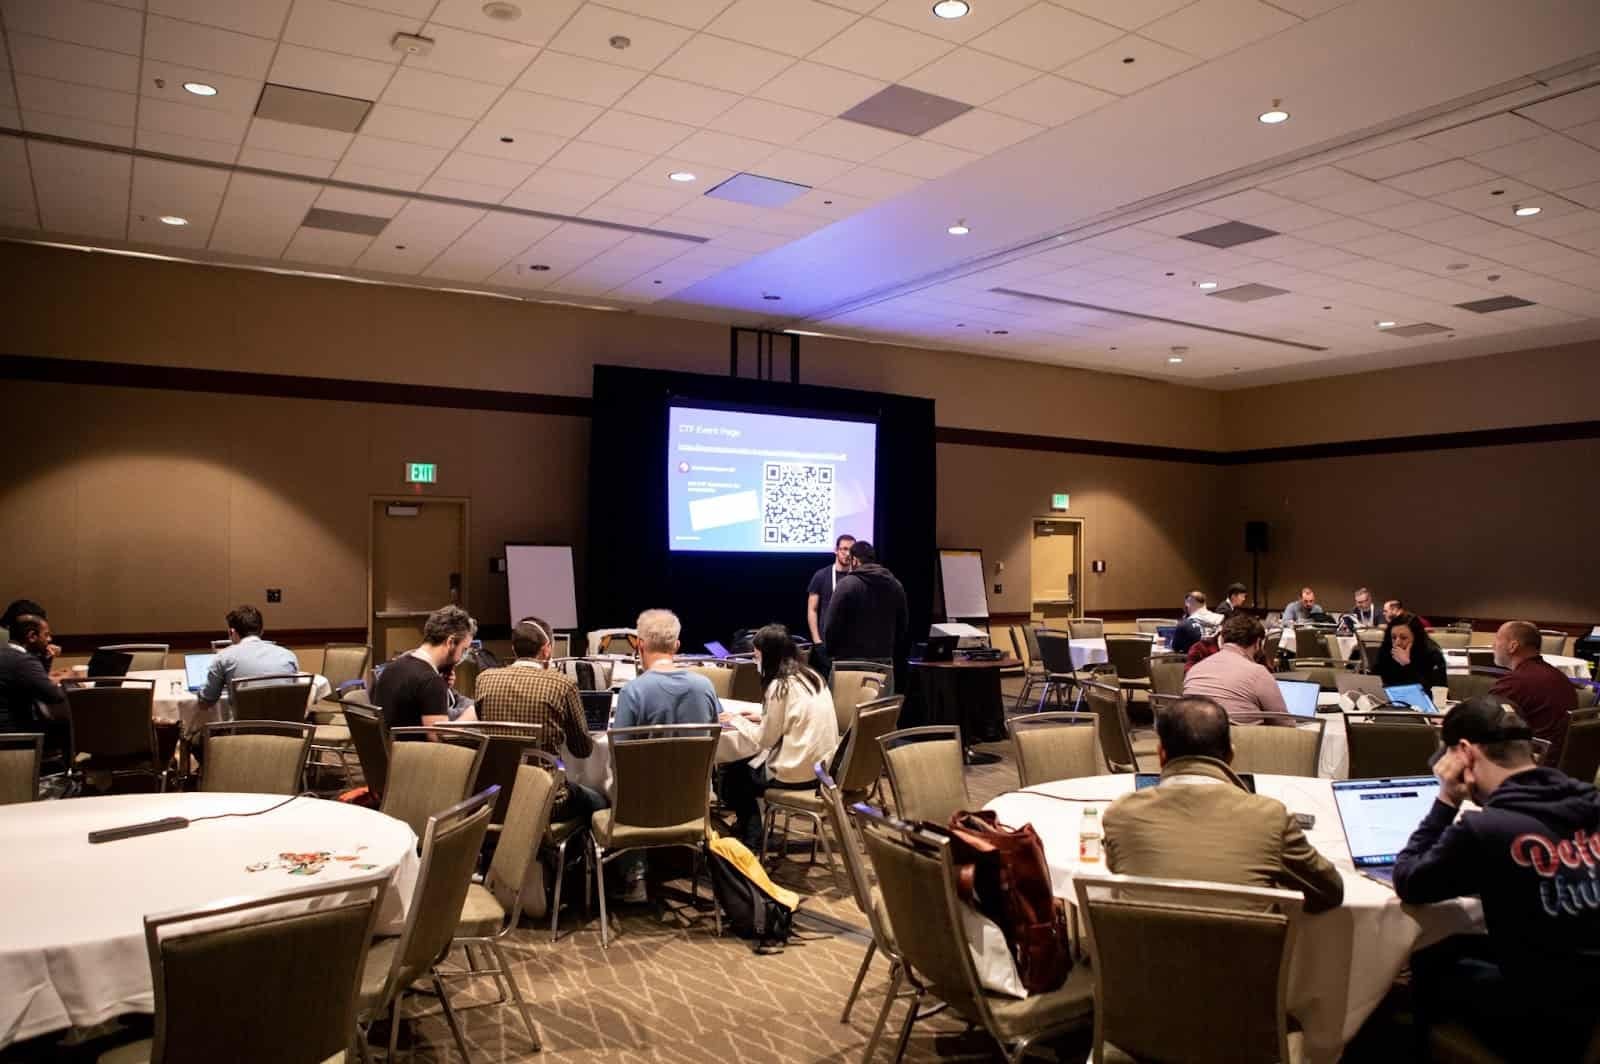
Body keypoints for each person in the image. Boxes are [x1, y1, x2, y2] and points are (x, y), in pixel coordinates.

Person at [1394, 697, 1600, 1060]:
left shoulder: (1486, 830)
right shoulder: (1590, 804)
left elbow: (1410, 880)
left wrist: (1446, 800)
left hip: (1544, 1019)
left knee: (1426, 959)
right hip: (1588, 994)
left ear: (1465, 753)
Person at [1103, 694, 1344, 912]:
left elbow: (1119, 869)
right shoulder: (1270, 817)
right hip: (1246, 960)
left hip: (1141, 958)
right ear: (1230, 755)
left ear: (1160, 755)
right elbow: (1330, 892)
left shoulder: (1121, 814)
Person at [719, 623, 840, 849]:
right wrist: (760, 717)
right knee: (744, 769)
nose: (756, 662)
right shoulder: (811, 676)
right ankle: (749, 829)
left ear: (770, 656)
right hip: (822, 769)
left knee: (733, 775)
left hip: (796, 773)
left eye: (757, 657)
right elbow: (793, 718)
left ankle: (752, 835)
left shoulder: (779, 685)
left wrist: (736, 720)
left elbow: (764, 740)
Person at [474, 618, 607, 820]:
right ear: (546, 650)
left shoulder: (484, 679)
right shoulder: (562, 684)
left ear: (514, 648)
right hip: (547, 799)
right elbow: (582, 750)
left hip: (497, 800)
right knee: (601, 801)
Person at [195, 605, 301, 730]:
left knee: (195, 739)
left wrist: (202, 689)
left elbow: (205, 702)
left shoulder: (224, 657)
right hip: (286, 738)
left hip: (242, 737)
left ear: (232, 632)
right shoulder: (288, 656)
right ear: (261, 631)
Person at [372, 605, 476, 729]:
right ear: (451, 642)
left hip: (390, 745)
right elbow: (440, 737)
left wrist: (440, 691)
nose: (461, 657)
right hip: (414, 748)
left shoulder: (392, 668)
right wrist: (472, 714)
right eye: (463, 650)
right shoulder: (430, 680)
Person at [612, 609, 719, 728]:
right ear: (676, 645)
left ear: (640, 644)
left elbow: (618, 745)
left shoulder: (631, 692)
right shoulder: (705, 686)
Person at [1490, 621, 1577, 765]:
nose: (1493, 645)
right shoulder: (1559, 676)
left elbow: (1482, 721)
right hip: (1564, 764)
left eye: (1497, 639)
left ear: (1513, 646)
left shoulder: (1516, 682)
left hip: (1535, 764)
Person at [1182, 613, 1289, 719]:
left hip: (1191, 729)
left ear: (1223, 638)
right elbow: (1285, 723)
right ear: (1257, 643)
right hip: (1240, 734)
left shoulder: (1195, 669)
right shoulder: (1258, 672)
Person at [822, 540, 908, 666]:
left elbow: (831, 624)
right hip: (883, 660)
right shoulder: (895, 584)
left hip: (848, 660)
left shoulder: (846, 584)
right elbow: (903, 624)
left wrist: (830, 652)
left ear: (855, 560)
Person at [1, 614, 69, 737]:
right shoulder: (23, 660)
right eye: (46, 634)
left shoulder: (6, 653)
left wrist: (46, 659)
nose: (49, 639)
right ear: (32, 636)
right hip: (12, 733)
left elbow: (35, 682)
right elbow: (54, 696)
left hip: (5, 729)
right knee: (69, 726)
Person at [806, 534, 855, 671]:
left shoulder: (858, 576)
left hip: (852, 644)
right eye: (844, 549)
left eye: (851, 550)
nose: (847, 554)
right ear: (836, 550)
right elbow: (812, 609)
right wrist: (817, 641)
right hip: (826, 643)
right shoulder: (821, 575)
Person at [1374, 612, 1448, 691]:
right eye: (1393, 637)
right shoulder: (1386, 649)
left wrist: (1407, 665)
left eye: (1403, 638)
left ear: (1416, 638)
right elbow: (1375, 680)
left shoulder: (1432, 654)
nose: (1397, 643)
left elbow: (1435, 691)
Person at [1170, 590, 1222, 655]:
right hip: (1220, 660)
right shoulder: (1223, 619)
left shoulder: (1184, 624)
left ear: (1188, 604)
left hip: (1195, 662)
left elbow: (1175, 647)